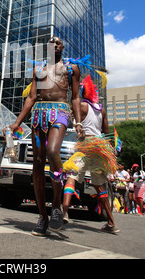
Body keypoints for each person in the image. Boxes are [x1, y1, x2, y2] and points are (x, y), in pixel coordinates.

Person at [7, 36, 83, 236]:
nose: (54, 44)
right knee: (38, 163)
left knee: (52, 152)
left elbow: (75, 97)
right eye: (51, 43)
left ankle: (56, 204)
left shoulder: (71, 68)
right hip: (39, 114)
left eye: (57, 42)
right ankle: (42, 216)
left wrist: (78, 121)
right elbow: (31, 97)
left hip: (60, 111)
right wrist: (16, 123)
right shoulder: (38, 69)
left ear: (63, 46)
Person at [62, 75, 119, 234]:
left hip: (85, 147)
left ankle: (65, 210)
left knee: (71, 176)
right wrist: (110, 155)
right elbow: (107, 134)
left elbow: (71, 117)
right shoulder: (102, 110)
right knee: (100, 186)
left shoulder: (81, 106)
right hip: (99, 150)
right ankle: (111, 223)